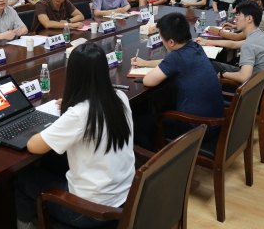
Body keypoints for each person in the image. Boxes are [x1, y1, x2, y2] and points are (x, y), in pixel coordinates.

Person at [15, 42, 134, 229]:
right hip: (124, 198)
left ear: (73, 75)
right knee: (50, 162)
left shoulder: (79, 114)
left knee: (24, 178)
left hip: (89, 212)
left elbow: (34, 146)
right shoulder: (120, 97)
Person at [130, 12, 224, 151]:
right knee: (165, 106)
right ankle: (160, 146)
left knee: (139, 124)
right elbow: (169, 62)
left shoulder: (176, 57)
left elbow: (148, 81)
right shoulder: (194, 46)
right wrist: (146, 63)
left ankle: (153, 160)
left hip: (197, 127)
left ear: (171, 42)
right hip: (214, 121)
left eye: (162, 38)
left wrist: (147, 69)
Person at [196, 1, 264, 84]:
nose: (235, 19)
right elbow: (234, 44)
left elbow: (244, 77)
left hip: (251, 86)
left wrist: (223, 74)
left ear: (249, 19)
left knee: (206, 65)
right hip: (261, 80)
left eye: (238, 15)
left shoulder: (249, 44)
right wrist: (205, 41)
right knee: (211, 64)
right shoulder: (261, 35)